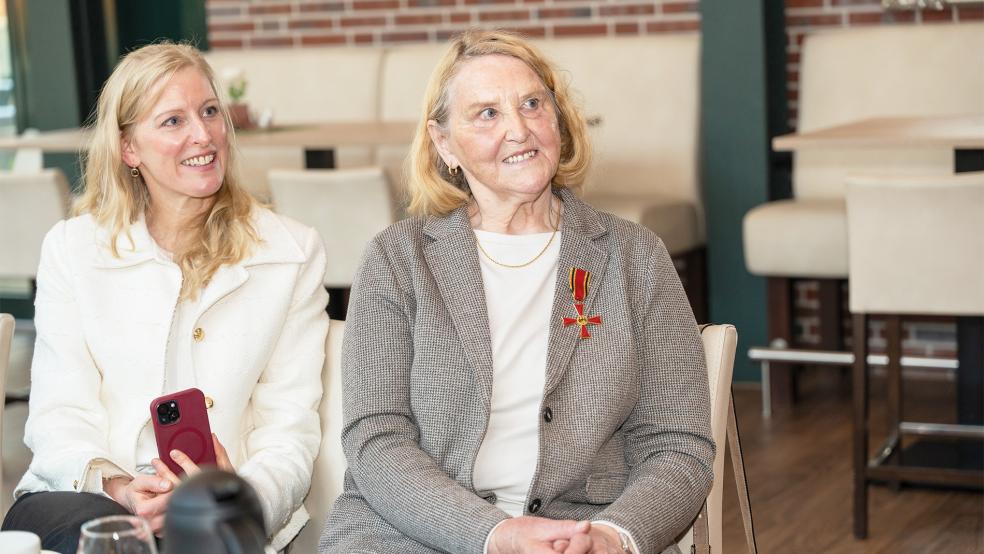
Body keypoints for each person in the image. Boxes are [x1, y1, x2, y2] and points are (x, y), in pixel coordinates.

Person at [320, 30, 714, 554]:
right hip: (410, 533)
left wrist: (613, 537)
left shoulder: (633, 256)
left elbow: (678, 444)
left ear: (559, 120)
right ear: (443, 143)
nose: (519, 129)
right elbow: (376, 440)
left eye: (532, 104)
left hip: (578, 533)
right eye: (486, 113)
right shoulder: (398, 260)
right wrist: (493, 535)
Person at [1, 43, 329, 553]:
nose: (203, 135)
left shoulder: (290, 253)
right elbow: (58, 415)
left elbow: (290, 432)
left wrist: (231, 495)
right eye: (173, 121)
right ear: (129, 148)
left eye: (209, 111)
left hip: (221, 511)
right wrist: (122, 490)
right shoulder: (74, 249)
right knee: (112, 536)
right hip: (89, 498)